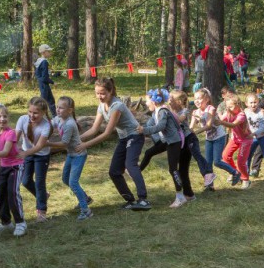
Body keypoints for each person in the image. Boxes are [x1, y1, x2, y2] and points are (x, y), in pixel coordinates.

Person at [79, 77, 151, 210]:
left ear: (111, 91)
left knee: (130, 165)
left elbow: (106, 133)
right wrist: (78, 139)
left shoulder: (117, 106)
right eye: (97, 93)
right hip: (124, 138)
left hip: (135, 136)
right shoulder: (101, 106)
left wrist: (85, 145)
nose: (99, 96)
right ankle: (130, 200)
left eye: (102, 93)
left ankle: (143, 200)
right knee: (114, 172)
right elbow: (94, 129)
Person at [0, 103, 27, 237]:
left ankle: (20, 223)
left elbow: (6, 151)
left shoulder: (11, 133)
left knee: (12, 193)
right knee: (1, 195)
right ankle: (6, 222)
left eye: (5, 116)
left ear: (8, 118)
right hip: (3, 167)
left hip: (15, 166)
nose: (2, 119)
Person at [139, 88, 188, 206]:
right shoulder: (156, 112)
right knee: (149, 152)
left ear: (154, 101)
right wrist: (139, 128)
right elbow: (149, 124)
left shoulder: (162, 111)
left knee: (173, 169)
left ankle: (180, 197)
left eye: (147, 101)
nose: (146, 104)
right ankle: (137, 171)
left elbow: (160, 126)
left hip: (174, 142)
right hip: (167, 141)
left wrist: (144, 130)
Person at [49, 96, 92, 220]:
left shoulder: (69, 124)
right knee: (65, 179)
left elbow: (64, 144)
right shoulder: (58, 119)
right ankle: (85, 198)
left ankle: (86, 211)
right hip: (71, 154)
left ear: (70, 110)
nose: (58, 110)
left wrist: (47, 144)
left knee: (73, 182)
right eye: (57, 107)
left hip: (79, 155)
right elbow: (49, 124)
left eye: (61, 108)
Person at [15, 96, 53, 223]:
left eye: (35, 113)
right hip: (28, 153)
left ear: (43, 112)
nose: (32, 115)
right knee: (25, 181)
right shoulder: (22, 119)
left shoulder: (46, 125)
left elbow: (39, 146)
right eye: (30, 112)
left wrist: (24, 153)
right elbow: (15, 138)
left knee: (39, 182)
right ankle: (42, 196)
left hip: (41, 155)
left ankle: (41, 211)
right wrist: (13, 150)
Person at [191, 87, 235, 186]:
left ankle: (235, 172)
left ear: (206, 99)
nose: (197, 101)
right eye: (195, 99)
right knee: (208, 163)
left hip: (219, 137)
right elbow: (191, 127)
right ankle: (210, 185)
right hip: (209, 139)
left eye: (199, 98)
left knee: (217, 161)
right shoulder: (195, 112)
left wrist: (195, 132)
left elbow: (209, 125)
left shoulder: (211, 109)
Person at [217, 93, 252, 187]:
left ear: (238, 104)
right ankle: (235, 173)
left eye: (231, 106)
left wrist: (220, 122)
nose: (229, 109)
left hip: (246, 140)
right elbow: (220, 119)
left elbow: (233, 125)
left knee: (241, 161)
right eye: (227, 107)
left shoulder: (241, 114)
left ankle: (245, 180)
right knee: (225, 156)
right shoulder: (228, 112)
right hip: (235, 138)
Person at [34, 44, 56, 115]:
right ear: (43, 52)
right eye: (48, 51)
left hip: (42, 84)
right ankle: (36, 114)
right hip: (44, 84)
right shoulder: (44, 62)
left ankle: (55, 116)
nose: (50, 53)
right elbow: (44, 77)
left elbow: (37, 74)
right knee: (42, 103)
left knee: (51, 101)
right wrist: (53, 82)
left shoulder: (39, 61)